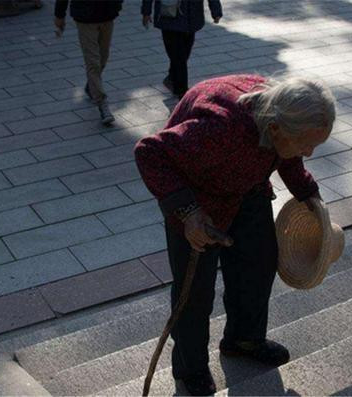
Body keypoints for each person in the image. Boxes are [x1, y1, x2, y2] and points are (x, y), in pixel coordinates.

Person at [134, 74, 335, 395]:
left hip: (248, 185)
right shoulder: (218, 129)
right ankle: (190, 368)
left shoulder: (282, 114)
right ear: (275, 129)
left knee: (259, 261)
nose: (309, 152)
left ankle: (244, 339)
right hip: (196, 197)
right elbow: (150, 153)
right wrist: (188, 213)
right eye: (306, 143)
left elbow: (290, 154)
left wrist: (308, 194)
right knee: (195, 293)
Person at [54, 0, 123, 125]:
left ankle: (91, 87)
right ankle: (102, 103)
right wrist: (59, 15)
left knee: (103, 57)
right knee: (93, 62)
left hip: (107, 14)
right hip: (85, 17)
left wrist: (117, 5)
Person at [141, 0, 222, 98]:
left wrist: (216, 10)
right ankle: (182, 92)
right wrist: (146, 11)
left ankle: (172, 77)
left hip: (192, 17)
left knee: (183, 53)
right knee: (179, 57)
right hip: (169, 17)